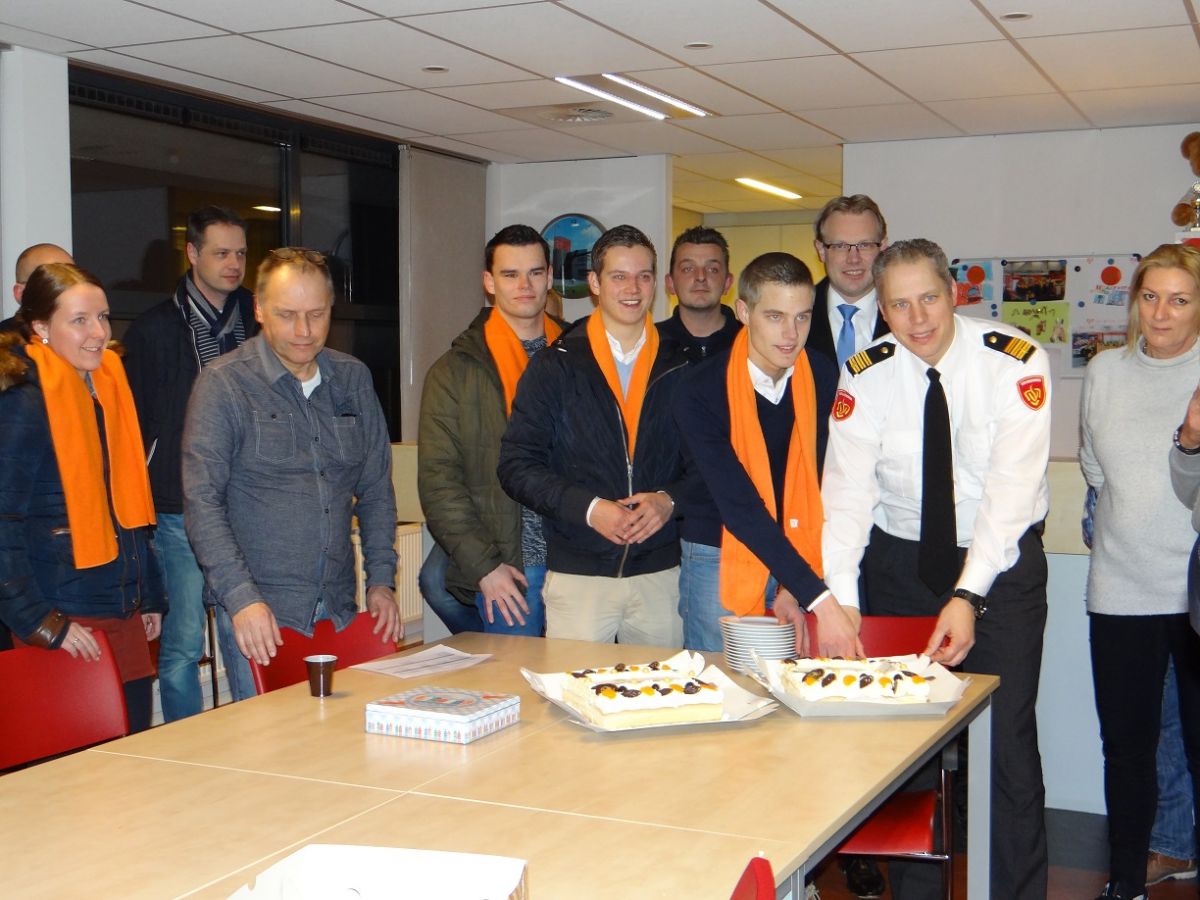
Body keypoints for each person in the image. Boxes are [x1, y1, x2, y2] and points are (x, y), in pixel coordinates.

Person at [822, 238, 1051, 900]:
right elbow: (846, 494)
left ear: (954, 294)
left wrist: (967, 596)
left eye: (928, 298)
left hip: (999, 566)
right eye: (899, 305)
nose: (917, 318)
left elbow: (1009, 497)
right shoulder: (865, 373)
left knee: (1006, 746)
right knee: (907, 748)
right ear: (882, 309)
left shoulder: (1014, 361)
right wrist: (841, 599)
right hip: (900, 564)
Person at [183, 247, 400, 701]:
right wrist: (241, 598)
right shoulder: (224, 385)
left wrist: (381, 581)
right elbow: (203, 504)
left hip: (338, 606)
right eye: (287, 315)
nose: (304, 331)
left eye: (316, 315)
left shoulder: (353, 379)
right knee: (270, 740)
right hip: (261, 612)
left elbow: (376, 489)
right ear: (259, 309)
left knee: (341, 733)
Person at [498, 224, 688, 646]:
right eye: (619, 276)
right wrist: (589, 509)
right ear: (595, 284)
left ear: (656, 283)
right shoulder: (556, 365)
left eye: (642, 276)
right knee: (573, 686)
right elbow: (516, 466)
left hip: (659, 574)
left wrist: (669, 500)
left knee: (661, 687)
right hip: (579, 574)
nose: (632, 288)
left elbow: (709, 466)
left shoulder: (683, 366)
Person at [1083, 243, 1200, 900]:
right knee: (1126, 749)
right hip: (1121, 590)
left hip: (1194, 592)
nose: (1161, 313)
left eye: (1179, 300)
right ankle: (1125, 881)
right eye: (1150, 297)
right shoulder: (1105, 371)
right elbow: (1096, 469)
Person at [0, 263, 164, 732]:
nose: (98, 333)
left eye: (103, 317)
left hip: (123, 610)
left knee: (134, 752)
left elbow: (129, 510)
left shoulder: (110, 387)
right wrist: (42, 623)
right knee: (80, 767)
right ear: (40, 327)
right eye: (79, 320)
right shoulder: (24, 402)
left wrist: (151, 595)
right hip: (65, 621)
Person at [672, 252, 859, 656]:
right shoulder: (699, 389)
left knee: (788, 683)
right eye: (775, 317)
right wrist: (821, 599)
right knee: (718, 679)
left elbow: (828, 480)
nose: (791, 334)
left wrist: (793, 584)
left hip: (798, 548)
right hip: (718, 553)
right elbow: (739, 506)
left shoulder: (822, 374)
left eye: (802, 317)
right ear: (744, 312)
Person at [123, 206, 255, 722]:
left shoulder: (259, 318)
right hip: (177, 503)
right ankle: (185, 744)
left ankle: (256, 734)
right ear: (193, 253)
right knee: (181, 641)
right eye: (221, 253)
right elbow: (136, 427)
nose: (234, 263)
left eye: (240, 253)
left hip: (245, 501)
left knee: (247, 628)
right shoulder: (154, 329)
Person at [419, 224, 564, 636]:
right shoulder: (454, 372)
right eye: (510, 274)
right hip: (510, 569)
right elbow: (439, 481)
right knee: (516, 676)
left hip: (579, 566)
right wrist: (485, 567)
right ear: (488, 282)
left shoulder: (581, 353)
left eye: (535, 273)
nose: (524, 286)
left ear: (549, 277)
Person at [806, 195, 891, 371]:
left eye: (865, 245)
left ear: (883, 247)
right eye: (840, 246)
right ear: (821, 250)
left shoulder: (907, 317)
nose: (853, 259)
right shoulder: (795, 316)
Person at [656, 226, 741, 362]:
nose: (701, 277)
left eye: (712, 269)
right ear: (670, 283)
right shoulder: (650, 343)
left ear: (727, 283)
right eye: (688, 269)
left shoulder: (753, 343)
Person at [0, 243, 74, 335]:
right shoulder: (6, 341)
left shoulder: (87, 332)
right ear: (21, 293)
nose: (68, 292)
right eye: (52, 284)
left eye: (73, 281)